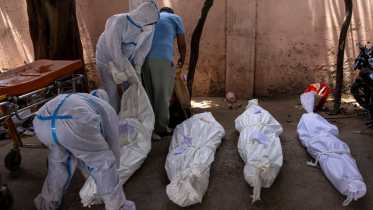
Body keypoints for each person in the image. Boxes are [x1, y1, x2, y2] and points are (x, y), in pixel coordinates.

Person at [33, 89, 135, 210]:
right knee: (103, 163)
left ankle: (47, 203)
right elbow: (111, 139)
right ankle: (116, 206)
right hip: (74, 122)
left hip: (41, 122)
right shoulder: (105, 108)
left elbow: (80, 144)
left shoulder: (79, 98)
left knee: (59, 161)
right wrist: (114, 165)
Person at [96, 1, 160, 113]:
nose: (152, 26)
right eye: (150, 23)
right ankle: (114, 121)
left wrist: (137, 69)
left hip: (127, 59)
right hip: (107, 59)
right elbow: (114, 50)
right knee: (111, 93)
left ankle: (131, 117)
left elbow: (143, 49)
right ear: (143, 19)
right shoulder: (119, 23)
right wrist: (126, 71)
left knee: (133, 90)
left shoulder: (149, 27)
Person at [142, 7, 186, 138]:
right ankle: (161, 128)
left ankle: (148, 127)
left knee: (148, 95)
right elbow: (182, 44)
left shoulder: (152, 18)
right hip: (161, 59)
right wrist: (182, 59)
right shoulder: (175, 18)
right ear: (171, 13)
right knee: (162, 96)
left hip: (143, 58)